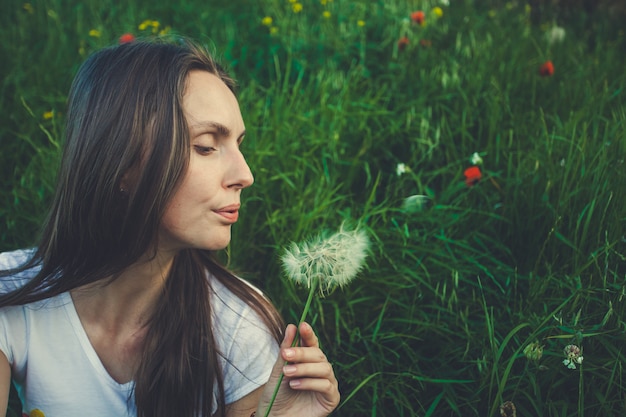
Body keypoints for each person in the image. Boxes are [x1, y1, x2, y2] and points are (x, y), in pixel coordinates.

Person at [0, 38, 340, 417]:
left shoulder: (238, 328)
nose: (245, 175)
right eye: (207, 146)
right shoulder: (12, 294)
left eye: (239, 145)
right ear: (122, 163)